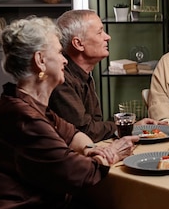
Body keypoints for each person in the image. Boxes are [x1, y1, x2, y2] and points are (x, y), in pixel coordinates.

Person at [0, 16, 138, 209]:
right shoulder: (23, 118)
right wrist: (111, 154)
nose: (64, 60)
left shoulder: (29, 105)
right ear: (40, 60)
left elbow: (72, 133)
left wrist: (89, 150)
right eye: (59, 53)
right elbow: (79, 174)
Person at [50, 9, 158, 142]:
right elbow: (85, 130)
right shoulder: (62, 80)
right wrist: (128, 127)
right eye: (99, 32)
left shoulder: (83, 74)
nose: (108, 37)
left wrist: (133, 126)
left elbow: (95, 124)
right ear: (78, 44)